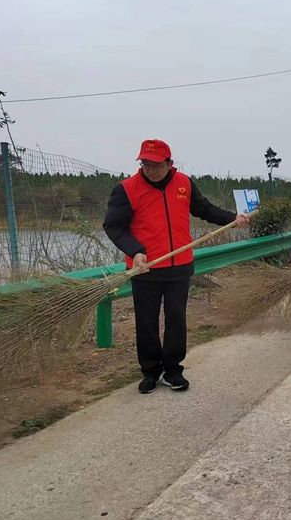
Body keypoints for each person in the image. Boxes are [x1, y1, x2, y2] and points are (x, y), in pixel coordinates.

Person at [103, 139, 251, 394]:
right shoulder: (126, 189)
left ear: (170, 163)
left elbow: (203, 209)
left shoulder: (183, 183)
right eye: (145, 163)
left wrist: (231, 218)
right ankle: (150, 371)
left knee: (176, 319)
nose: (149, 169)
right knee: (146, 322)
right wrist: (136, 251)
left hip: (179, 266)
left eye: (155, 164)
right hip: (146, 268)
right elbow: (114, 226)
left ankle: (172, 370)